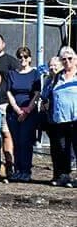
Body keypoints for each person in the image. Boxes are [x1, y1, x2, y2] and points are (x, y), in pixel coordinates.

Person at [6, 46, 41, 182]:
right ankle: (18, 170)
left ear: (30, 59)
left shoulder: (35, 73)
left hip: (30, 113)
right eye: (20, 57)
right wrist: (16, 108)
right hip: (14, 113)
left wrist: (27, 110)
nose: (22, 59)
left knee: (26, 142)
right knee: (16, 142)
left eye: (25, 57)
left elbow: (37, 93)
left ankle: (26, 171)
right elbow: (8, 91)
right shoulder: (12, 74)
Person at [45, 47, 77, 187]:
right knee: (61, 149)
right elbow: (48, 93)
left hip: (75, 119)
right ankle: (63, 176)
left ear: (75, 60)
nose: (67, 61)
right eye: (64, 59)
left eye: (70, 58)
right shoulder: (58, 77)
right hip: (60, 119)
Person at [0, 34, 18, 181]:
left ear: (3, 44)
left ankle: (9, 165)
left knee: (6, 135)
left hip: (5, 104)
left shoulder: (11, 62)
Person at [40, 56, 67, 186]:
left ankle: (64, 175)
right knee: (55, 148)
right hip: (51, 118)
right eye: (50, 65)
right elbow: (44, 95)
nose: (52, 67)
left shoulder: (64, 79)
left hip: (63, 119)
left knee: (63, 147)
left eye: (55, 65)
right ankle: (56, 174)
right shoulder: (48, 80)